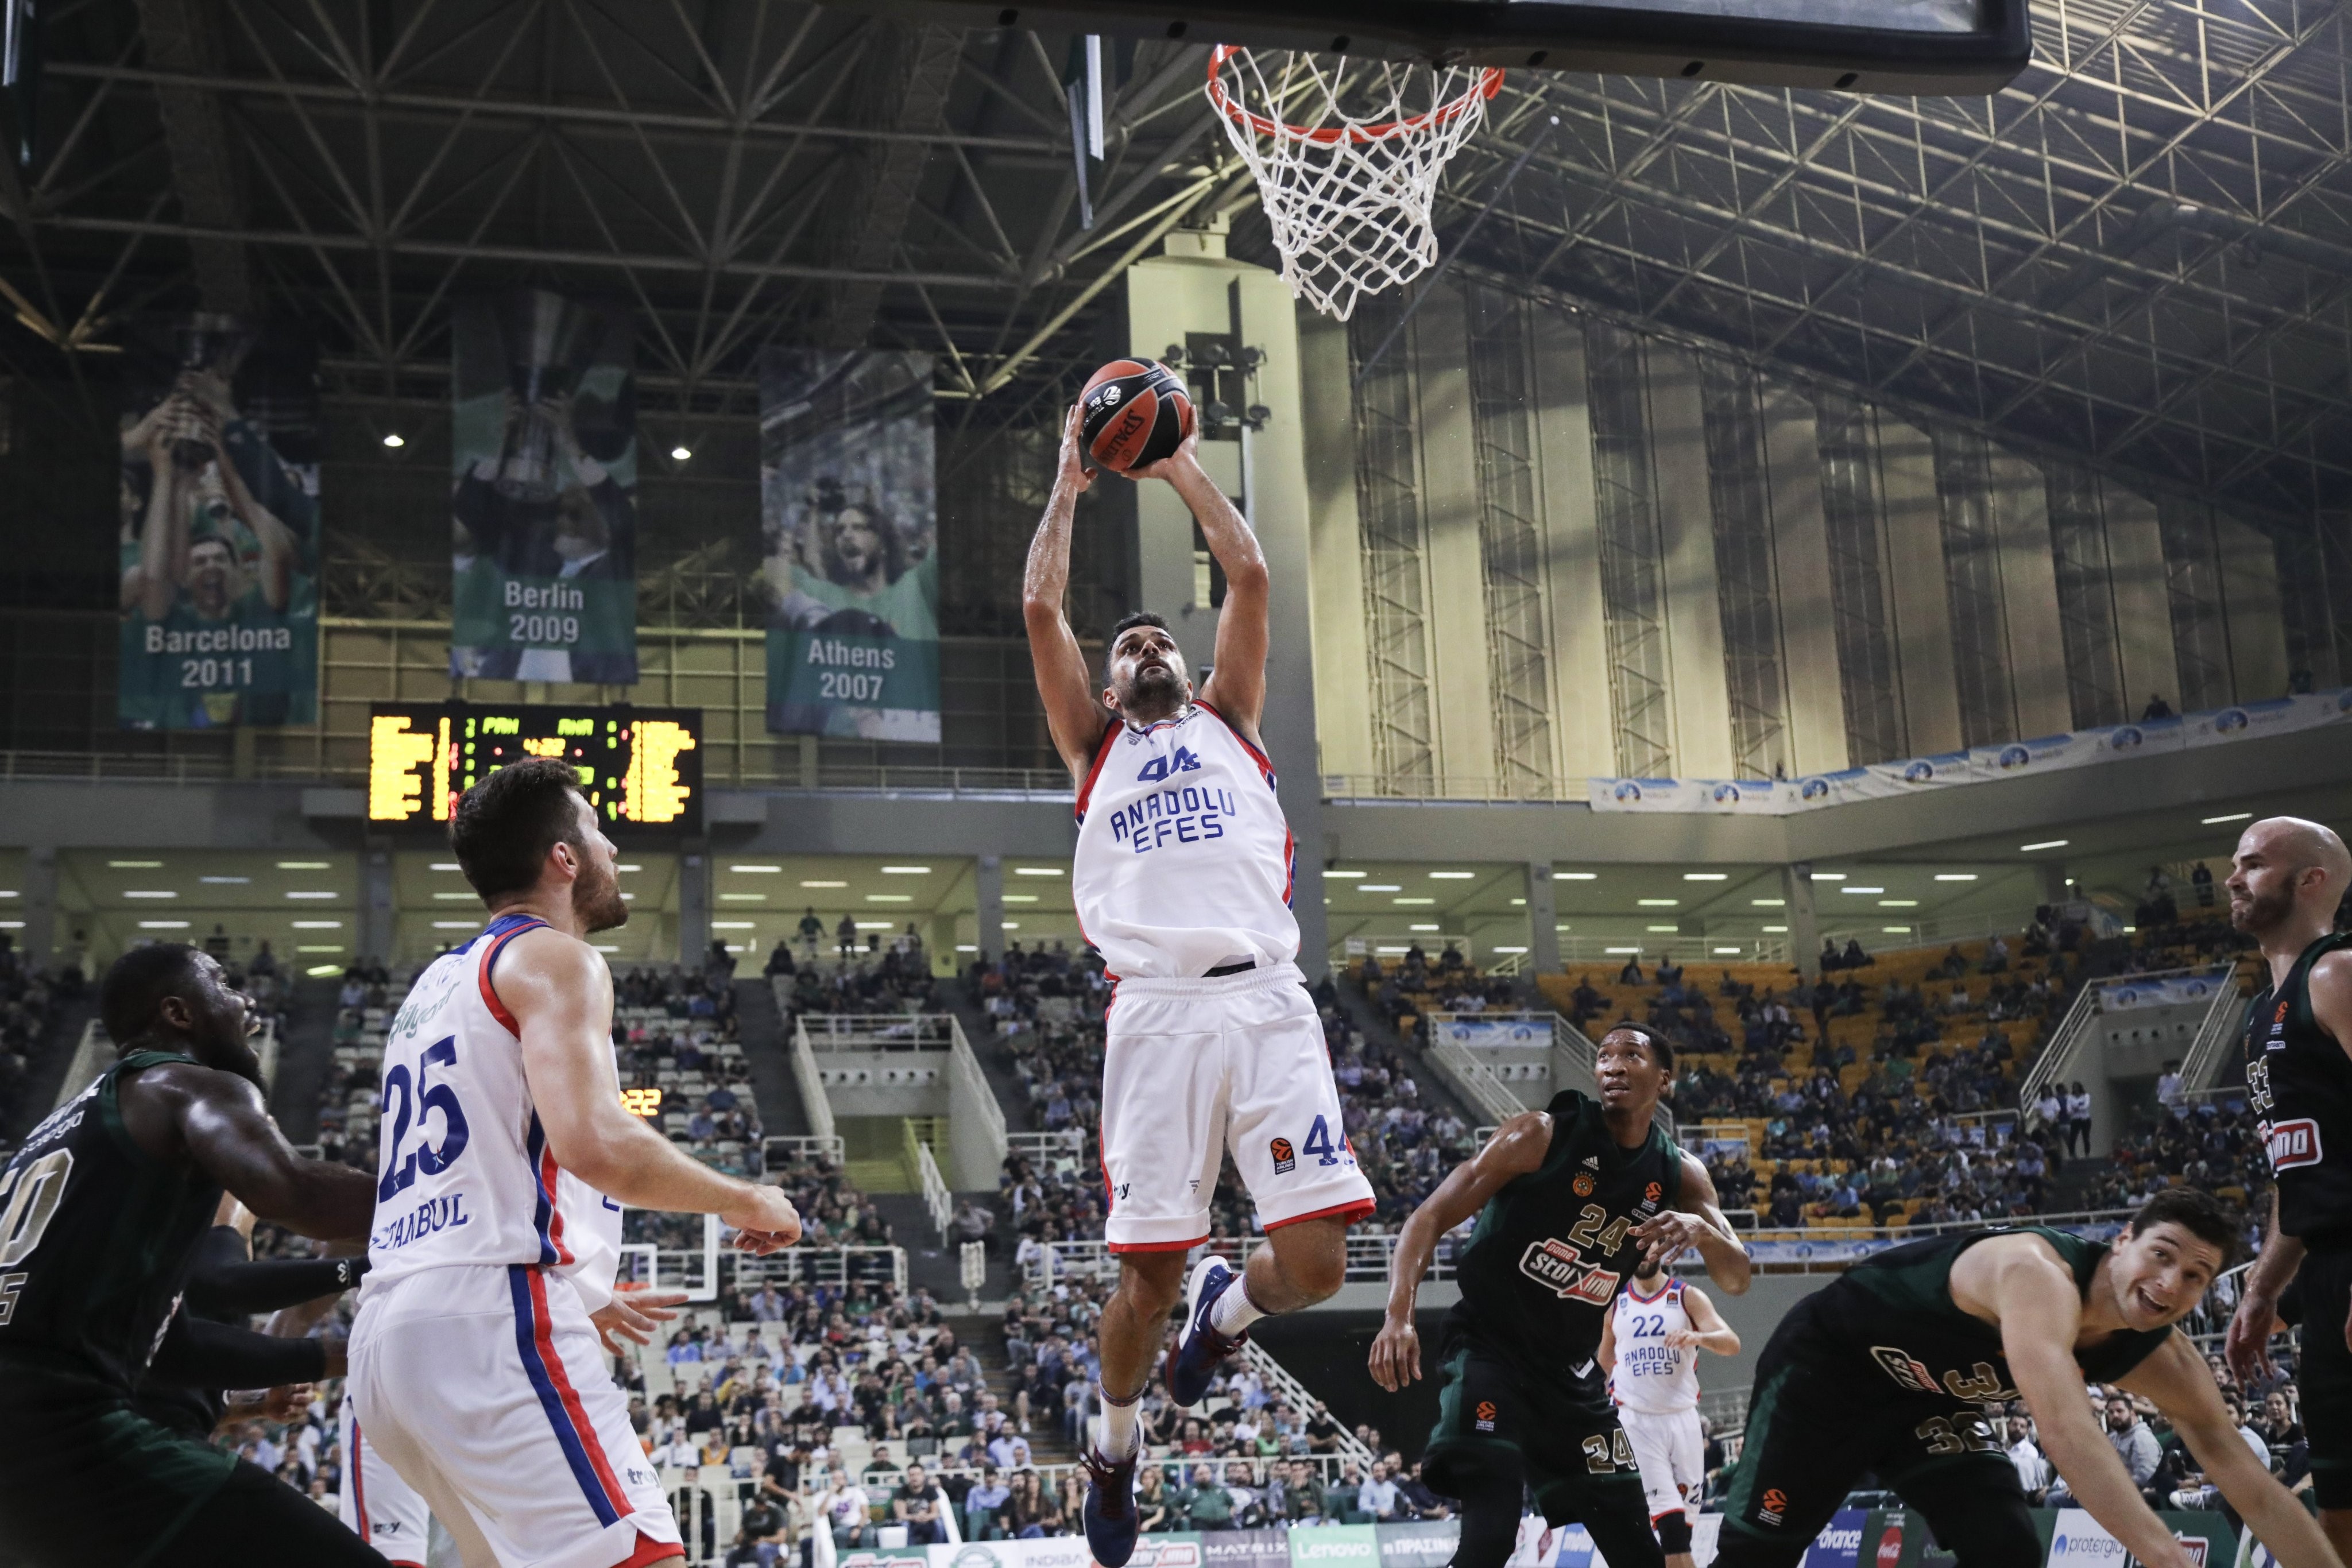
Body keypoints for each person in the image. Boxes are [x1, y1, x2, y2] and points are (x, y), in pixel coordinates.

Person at [1023, 404, 1376, 1567]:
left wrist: (1175, 464)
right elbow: (1041, 610)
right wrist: (1072, 486)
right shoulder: (1093, 750)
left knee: (1317, 1270)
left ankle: (1233, 1313)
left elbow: (1248, 571)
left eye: (1153, 642)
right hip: (1157, 1015)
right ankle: (1115, 1445)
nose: (1142, 651)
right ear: (1110, 690)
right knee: (1143, 1279)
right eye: (1124, 651)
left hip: (1268, 1003)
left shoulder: (1231, 716)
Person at [346, 757, 802, 1568]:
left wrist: (578, 1282)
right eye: (596, 830)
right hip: (486, 1318)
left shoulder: (432, 988)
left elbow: (477, 1173)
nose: (613, 846)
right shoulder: (556, 959)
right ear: (563, 858)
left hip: (389, 1340)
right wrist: (744, 1196)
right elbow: (594, 1144)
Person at [0, 944, 383, 1566]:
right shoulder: (181, 1085)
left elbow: (174, 1346)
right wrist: (446, 1202)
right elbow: (293, 1191)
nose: (246, 1001)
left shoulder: (64, 1131)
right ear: (179, 1012)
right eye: (224, 985)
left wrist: (344, 1353)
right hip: (62, 1427)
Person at [1716, 1190, 2339, 1567]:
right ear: (2122, 1241)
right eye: (2161, 1253)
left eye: (2195, 1275)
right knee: (1756, 1556)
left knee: (2006, 1550)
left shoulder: (2164, 1356)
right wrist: (2164, 1554)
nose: (2169, 1283)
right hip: (1827, 1376)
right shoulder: (2035, 1273)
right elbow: (2065, 1430)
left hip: (1930, 1403)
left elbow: (2255, 1489)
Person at [1367, 1025, 1753, 1568]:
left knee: (1642, 1552)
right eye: (1604, 1056)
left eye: (1631, 1055)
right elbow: (1429, 1215)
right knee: (1490, 1541)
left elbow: (1737, 1278)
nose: (1613, 1065)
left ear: (1664, 1079)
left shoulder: (1681, 1174)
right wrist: (1397, 1315)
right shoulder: (1540, 1134)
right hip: (1490, 1349)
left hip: (1572, 1378)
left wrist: (1706, 1230)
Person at [2223, 817, 2352, 1558]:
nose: (2234, 878)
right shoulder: (2257, 1013)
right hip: (2325, 1273)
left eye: (2254, 863)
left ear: (2312, 881)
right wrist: (2263, 1289)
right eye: (2234, 864)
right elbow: (2295, 1168)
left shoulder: (2337, 974)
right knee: (2340, 1505)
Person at [1600, 1255, 1740, 1567]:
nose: (1645, 1254)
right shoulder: (1615, 1302)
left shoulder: (1686, 1296)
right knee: (1671, 1527)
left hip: (1684, 1419)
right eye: (1637, 1248)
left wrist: (1699, 1337)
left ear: (1662, 1251)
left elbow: (1731, 1343)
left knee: (1681, 1531)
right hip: (1636, 1420)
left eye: (1651, 1247)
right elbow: (1604, 1362)